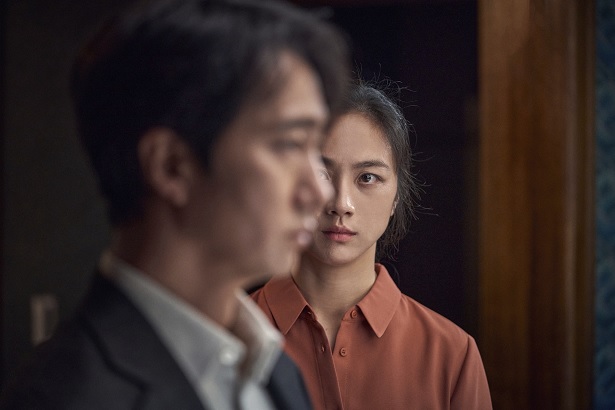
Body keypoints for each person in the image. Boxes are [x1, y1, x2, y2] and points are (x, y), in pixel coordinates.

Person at [0, 0, 349, 408]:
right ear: (171, 167)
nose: (321, 192)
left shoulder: (275, 369)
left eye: (315, 150)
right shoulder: (64, 397)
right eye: (289, 144)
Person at [252, 80, 493, 409]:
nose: (341, 203)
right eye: (321, 173)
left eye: (367, 177)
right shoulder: (227, 336)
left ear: (396, 197)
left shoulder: (452, 354)